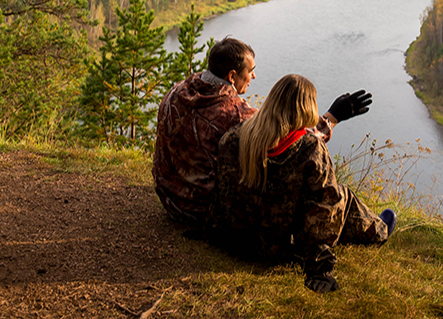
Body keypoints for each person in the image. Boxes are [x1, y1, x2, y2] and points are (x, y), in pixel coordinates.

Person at [152, 38, 372, 228]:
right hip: (202, 214)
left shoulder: (176, 91)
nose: (254, 76)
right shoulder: (236, 115)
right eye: (250, 71)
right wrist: (331, 118)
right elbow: (298, 146)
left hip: (169, 200)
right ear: (231, 76)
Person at [207, 74, 395, 294]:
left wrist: (211, 229)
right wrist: (319, 270)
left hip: (237, 239)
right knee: (343, 197)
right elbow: (323, 209)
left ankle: (375, 227)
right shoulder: (311, 150)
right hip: (280, 250)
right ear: (306, 109)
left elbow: (223, 189)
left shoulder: (235, 137)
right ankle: (380, 229)